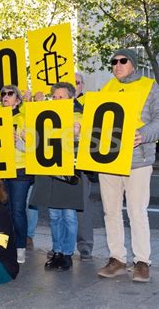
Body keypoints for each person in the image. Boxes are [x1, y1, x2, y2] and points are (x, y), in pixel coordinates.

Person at [97, 49, 159, 282]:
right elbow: (96, 120)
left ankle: (142, 262)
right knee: (110, 212)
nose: (117, 65)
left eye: (122, 61)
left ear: (134, 64)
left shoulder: (150, 87)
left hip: (137, 160)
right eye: (113, 62)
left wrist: (144, 134)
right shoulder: (106, 89)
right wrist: (82, 127)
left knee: (137, 212)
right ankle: (117, 259)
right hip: (108, 159)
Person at [29, 82, 83, 272]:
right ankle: (57, 252)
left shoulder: (78, 117)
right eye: (55, 97)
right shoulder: (45, 118)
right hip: (50, 174)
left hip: (69, 174)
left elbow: (87, 144)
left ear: (71, 98)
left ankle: (67, 254)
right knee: (54, 216)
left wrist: (78, 135)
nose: (57, 100)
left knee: (68, 216)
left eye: (62, 97)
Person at [0, 85, 34, 264]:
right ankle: (6, 245)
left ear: (18, 100)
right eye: (3, 94)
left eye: (10, 94)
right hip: (0, 169)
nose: (5, 96)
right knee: (3, 210)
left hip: (20, 169)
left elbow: (33, 148)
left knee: (18, 210)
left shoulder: (25, 117)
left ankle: (20, 247)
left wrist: (18, 142)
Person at [74, 72, 95, 261]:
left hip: (81, 161)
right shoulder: (56, 102)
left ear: (83, 85)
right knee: (59, 208)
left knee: (82, 204)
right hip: (59, 160)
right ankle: (61, 247)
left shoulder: (89, 103)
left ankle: (85, 245)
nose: (74, 86)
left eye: (77, 83)